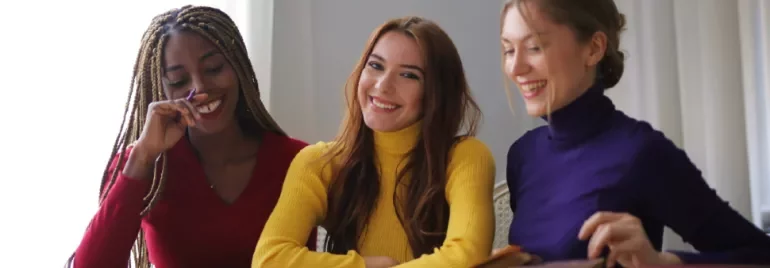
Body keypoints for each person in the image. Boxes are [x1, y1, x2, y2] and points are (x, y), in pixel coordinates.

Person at [499, 0, 770, 266]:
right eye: (508, 50)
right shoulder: (523, 156)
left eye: (534, 47)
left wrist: (660, 263)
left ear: (593, 49)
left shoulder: (641, 153)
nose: (515, 67)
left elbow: (760, 255)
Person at [68, 5, 315, 268]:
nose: (199, 89)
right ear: (161, 89)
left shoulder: (297, 162)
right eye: (178, 81)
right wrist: (141, 157)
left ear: (238, 66)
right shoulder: (145, 166)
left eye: (214, 68)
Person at [252, 16, 495, 268]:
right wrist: (366, 265)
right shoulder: (319, 163)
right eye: (376, 66)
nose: (383, 85)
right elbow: (269, 260)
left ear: (436, 92)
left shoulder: (465, 157)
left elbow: (469, 255)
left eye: (409, 75)